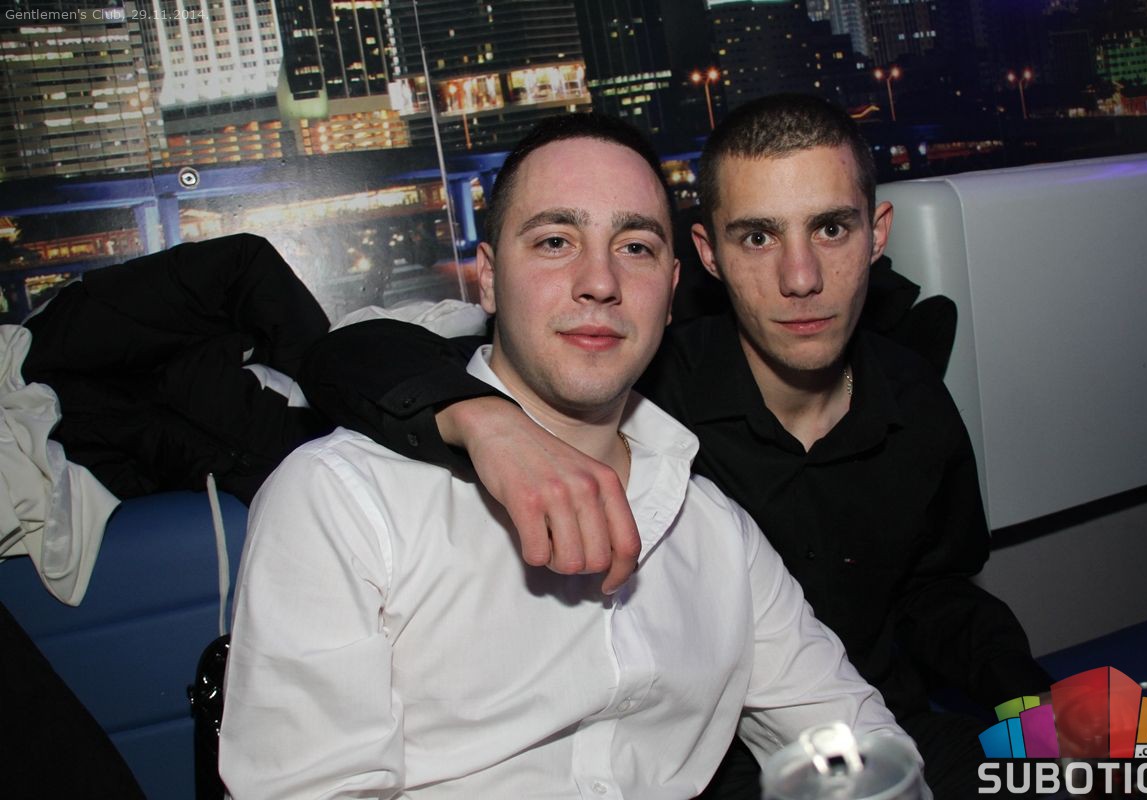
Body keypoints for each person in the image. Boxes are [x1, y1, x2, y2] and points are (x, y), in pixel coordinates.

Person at [299, 94, 1052, 798]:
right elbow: (351, 356)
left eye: (830, 229)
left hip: (862, 726)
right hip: (719, 766)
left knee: (1099, 769)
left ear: (875, 234)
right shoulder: (643, 384)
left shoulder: (908, 399)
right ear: (710, 253)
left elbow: (936, 592)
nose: (800, 278)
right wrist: (485, 420)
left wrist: (1032, 709)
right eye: (758, 236)